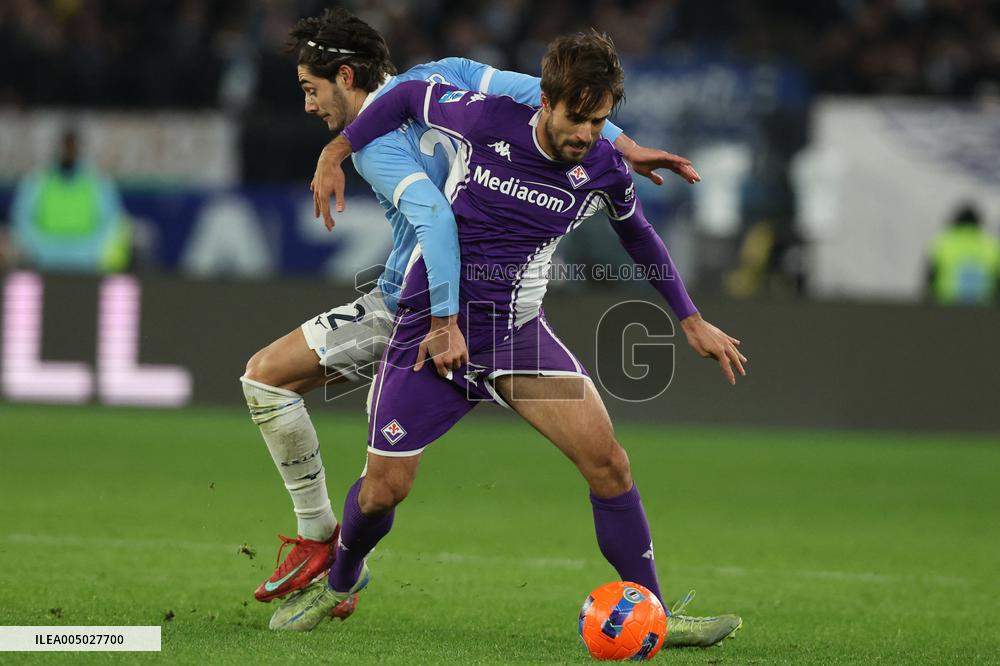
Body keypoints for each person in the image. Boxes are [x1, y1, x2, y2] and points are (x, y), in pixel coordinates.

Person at [270, 30, 746, 649]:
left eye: (600, 121)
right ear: (546, 102)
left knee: (608, 463)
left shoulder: (601, 163)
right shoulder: (487, 116)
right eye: (577, 119)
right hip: (429, 327)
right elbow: (409, 94)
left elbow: (639, 235)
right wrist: (338, 149)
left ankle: (653, 608)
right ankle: (341, 581)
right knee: (386, 490)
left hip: (515, 335)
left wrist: (690, 319)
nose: (586, 135)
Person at [10, 128, 130, 273]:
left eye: (73, 147)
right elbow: (21, 221)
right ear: (57, 149)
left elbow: (112, 223)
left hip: (88, 265)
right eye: (65, 147)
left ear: (80, 150)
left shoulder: (98, 183)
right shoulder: (37, 182)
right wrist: (43, 252)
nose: (68, 152)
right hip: (44, 264)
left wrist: (87, 253)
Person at [926, 204, 1000, 305]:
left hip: (947, 310)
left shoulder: (942, 245)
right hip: (984, 311)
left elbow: (929, 282)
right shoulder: (992, 247)